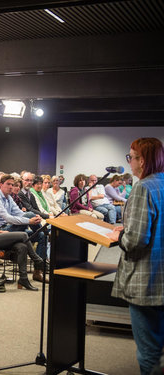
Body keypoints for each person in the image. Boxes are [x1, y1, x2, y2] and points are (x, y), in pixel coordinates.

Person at [107, 138, 164, 375]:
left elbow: (136, 241)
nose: (129, 161)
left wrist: (120, 236)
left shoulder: (143, 187)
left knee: (149, 352)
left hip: (146, 279)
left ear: (143, 160)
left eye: (131, 156)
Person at [0, 174, 49, 272]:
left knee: (41, 235)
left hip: (11, 228)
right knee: (30, 215)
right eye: (8, 184)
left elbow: (19, 213)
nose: (11, 187)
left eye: (12, 184)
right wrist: (29, 220)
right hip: (0, 231)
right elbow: (8, 218)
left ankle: (38, 269)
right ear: (1, 184)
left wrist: (33, 218)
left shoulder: (8, 197)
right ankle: (41, 261)